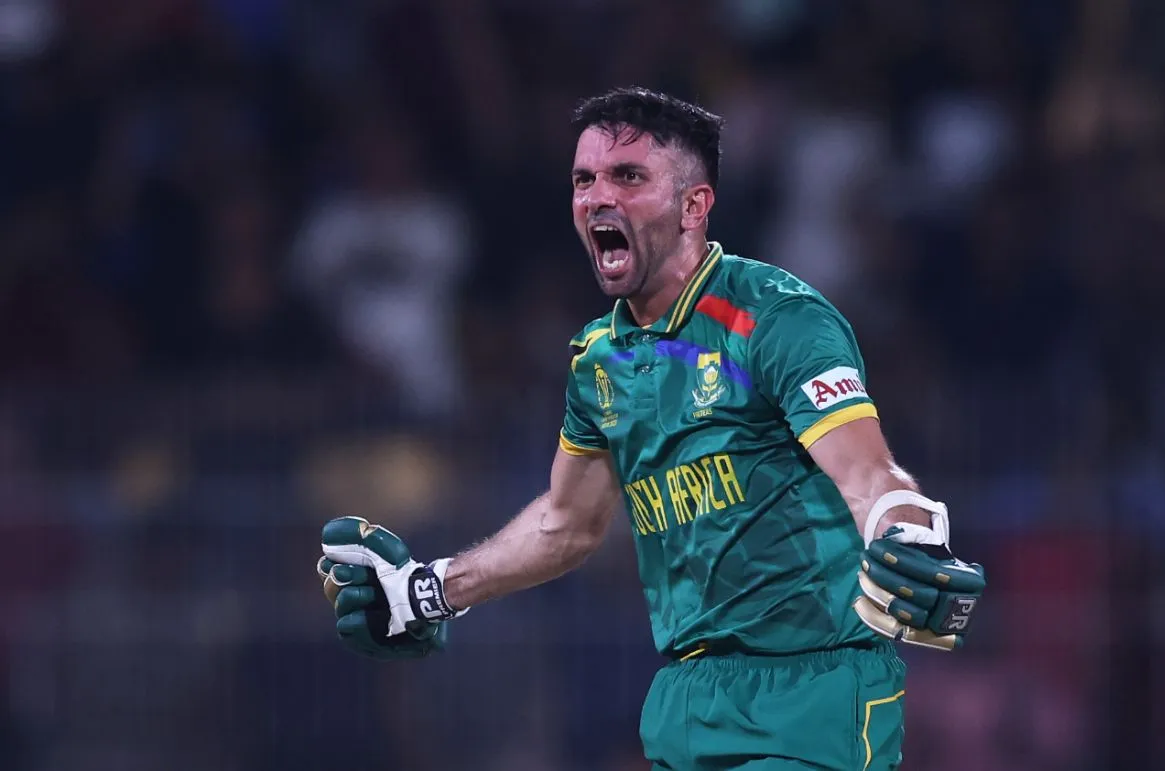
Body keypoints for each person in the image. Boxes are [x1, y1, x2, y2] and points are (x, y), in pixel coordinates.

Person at [316, 86, 987, 770]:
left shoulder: (778, 318)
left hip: (813, 686)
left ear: (694, 205)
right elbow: (567, 524)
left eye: (627, 177)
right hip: (686, 698)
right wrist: (428, 590)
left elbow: (867, 472)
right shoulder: (598, 361)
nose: (597, 198)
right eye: (584, 179)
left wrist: (907, 531)